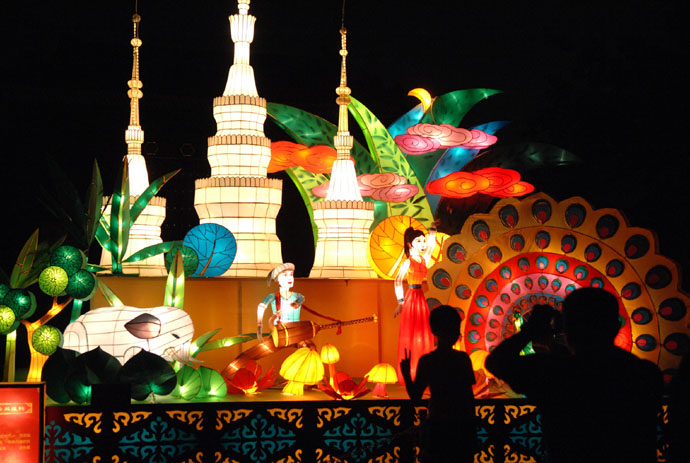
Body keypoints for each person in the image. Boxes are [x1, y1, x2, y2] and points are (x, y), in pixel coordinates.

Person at [486, 287, 663, 463]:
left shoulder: (555, 373)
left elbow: (497, 362)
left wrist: (531, 330)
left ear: (566, 329)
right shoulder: (645, 374)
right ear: (616, 327)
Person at [400, 305, 477, 463]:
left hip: (436, 427)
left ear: (434, 330)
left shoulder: (427, 361)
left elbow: (415, 397)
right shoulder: (462, 359)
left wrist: (406, 374)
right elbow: (468, 399)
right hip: (461, 429)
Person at [394, 225, 437, 383]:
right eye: (419, 241)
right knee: (411, 331)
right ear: (409, 244)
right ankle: (410, 371)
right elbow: (398, 280)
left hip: (420, 298)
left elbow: (431, 247)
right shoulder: (408, 262)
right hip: (411, 297)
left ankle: (422, 370)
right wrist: (400, 302)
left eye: (423, 240)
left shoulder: (424, 259)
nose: (423, 244)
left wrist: (432, 231)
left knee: (422, 331)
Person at [257, 262, 304, 340]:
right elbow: (261, 307)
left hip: (295, 333)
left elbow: (300, 300)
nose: (289, 278)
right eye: (285, 275)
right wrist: (259, 325)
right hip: (279, 332)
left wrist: (292, 306)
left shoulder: (298, 296)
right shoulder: (273, 297)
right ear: (277, 279)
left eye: (291, 274)